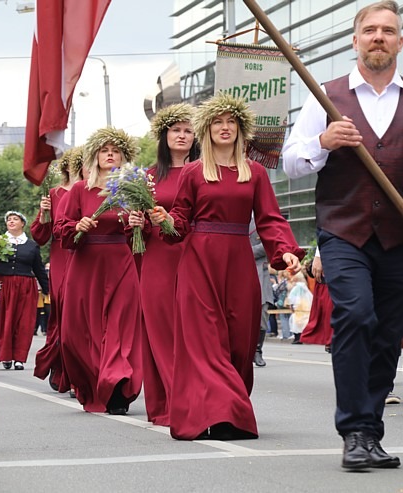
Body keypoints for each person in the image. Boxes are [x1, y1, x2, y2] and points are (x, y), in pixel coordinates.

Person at [282, 1, 403, 470]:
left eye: (388, 31)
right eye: (370, 30)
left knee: (387, 336)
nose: (379, 37)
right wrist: (323, 143)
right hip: (344, 232)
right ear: (355, 40)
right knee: (357, 317)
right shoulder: (326, 96)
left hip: (401, 238)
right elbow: (291, 162)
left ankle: (371, 433)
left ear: (400, 42)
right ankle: (355, 430)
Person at [150, 93, 303, 440]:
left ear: (240, 129)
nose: (224, 127)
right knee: (206, 344)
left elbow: (270, 220)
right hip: (198, 265)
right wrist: (165, 221)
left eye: (230, 122)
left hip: (238, 265)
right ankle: (223, 416)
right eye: (217, 122)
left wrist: (285, 251)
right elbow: (180, 223)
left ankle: (227, 408)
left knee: (239, 345)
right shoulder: (192, 173)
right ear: (207, 130)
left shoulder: (256, 173)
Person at [58, 127, 143, 415]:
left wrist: (137, 224)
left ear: (123, 157)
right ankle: (93, 384)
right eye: (105, 150)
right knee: (77, 333)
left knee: (120, 328)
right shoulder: (80, 190)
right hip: (86, 265)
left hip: (120, 263)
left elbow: (140, 237)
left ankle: (118, 386)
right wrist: (77, 226)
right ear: (94, 157)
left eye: (115, 150)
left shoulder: (133, 190)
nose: (110, 154)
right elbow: (62, 229)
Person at [129, 103, 197, 424]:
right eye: (176, 130)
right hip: (158, 259)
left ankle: (193, 399)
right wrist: (136, 221)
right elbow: (137, 229)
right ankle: (169, 401)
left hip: (194, 256)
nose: (182, 136)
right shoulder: (148, 176)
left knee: (192, 331)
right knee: (162, 328)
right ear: (164, 135)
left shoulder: (205, 171)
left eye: (188, 130)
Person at [32, 147, 82, 392]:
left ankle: (82, 373)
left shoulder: (97, 192)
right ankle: (63, 368)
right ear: (67, 167)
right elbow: (40, 236)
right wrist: (44, 215)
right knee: (64, 315)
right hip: (63, 258)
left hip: (88, 256)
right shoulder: (54, 194)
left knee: (84, 315)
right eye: (76, 164)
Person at [0, 210, 48, 370]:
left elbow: (39, 269)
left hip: (25, 287)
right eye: (9, 219)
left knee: (23, 323)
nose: (11, 221)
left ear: (22, 224)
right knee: (2, 321)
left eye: (15, 219)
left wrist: (48, 290)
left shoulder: (31, 246)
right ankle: (4, 356)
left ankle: (19, 358)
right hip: (2, 285)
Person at [250, 217, 271, 367]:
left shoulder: (261, 219)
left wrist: (243, 251)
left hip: (259, 270)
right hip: (234, 267)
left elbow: (268, 243)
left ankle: (257, 349)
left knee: (262, 311)